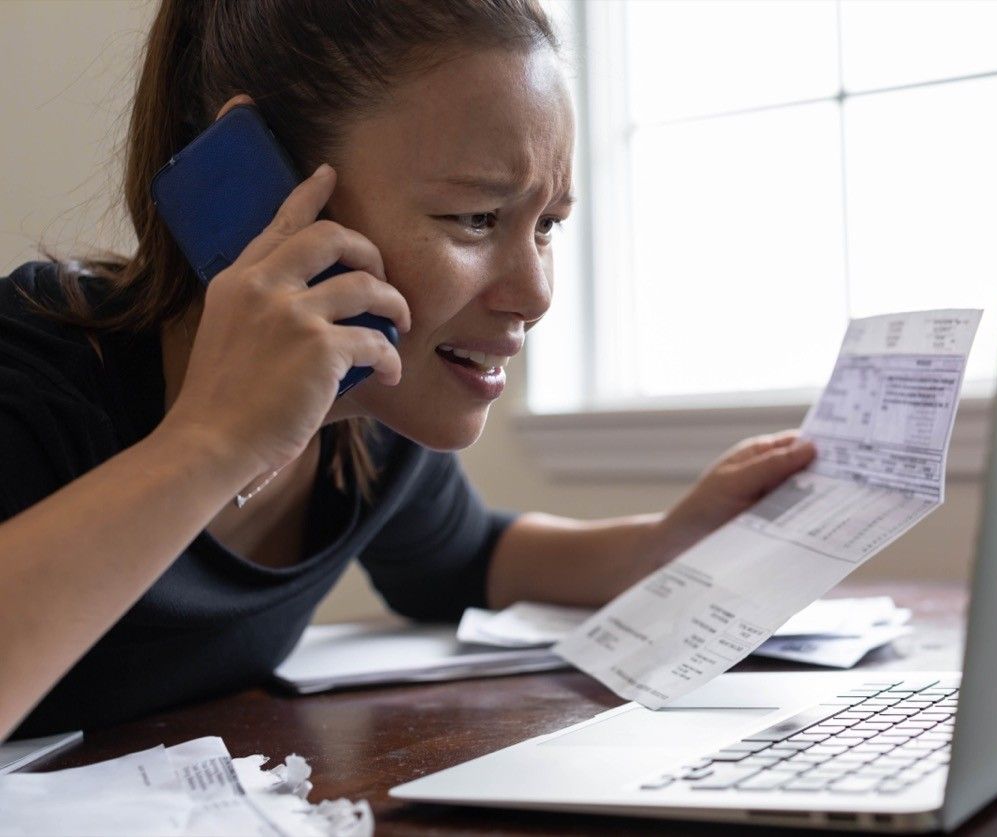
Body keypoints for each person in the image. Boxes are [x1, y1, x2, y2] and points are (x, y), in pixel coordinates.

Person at [0, 0, 815, 742]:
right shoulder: (35, 376)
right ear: (255, 181)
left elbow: (467, 557)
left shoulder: (369, 419)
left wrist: (670, 541)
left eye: (547, 224)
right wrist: (215, 441)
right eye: (475, 217)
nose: (534, 295)